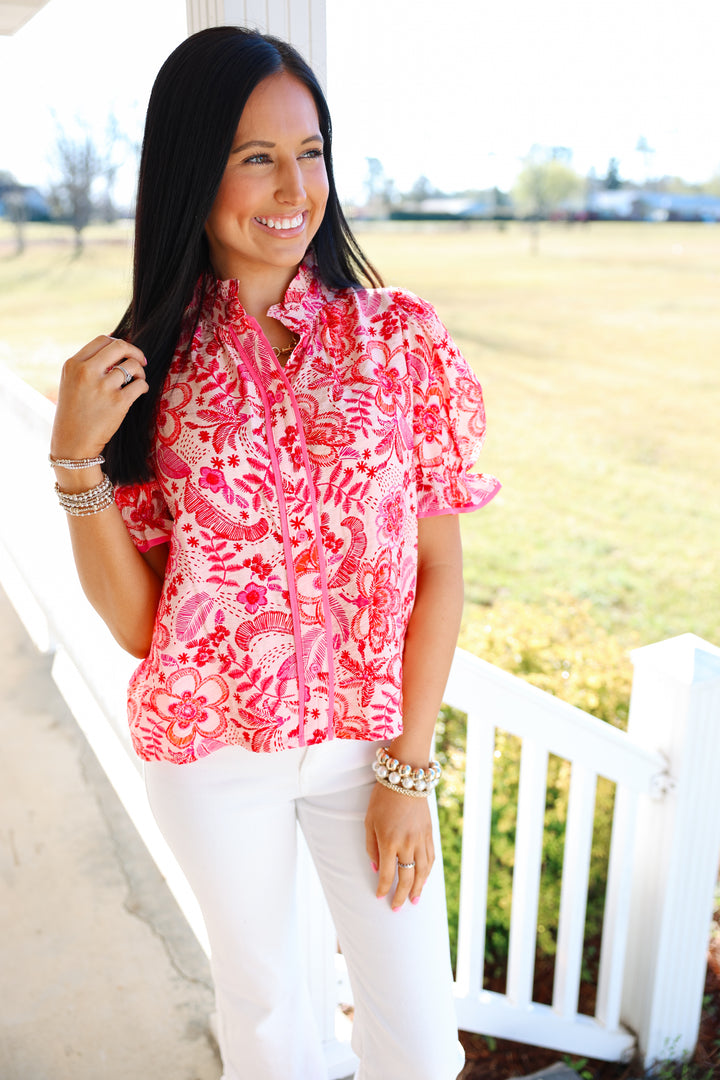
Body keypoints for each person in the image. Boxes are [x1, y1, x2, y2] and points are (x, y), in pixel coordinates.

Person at [49, 25, 500, 1080]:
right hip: (213, 759)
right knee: (268, 1033)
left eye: (311, 152)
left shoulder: (399, 342)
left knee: (421, 1049)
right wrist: (77, 466)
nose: (293, 186)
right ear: (193, 171)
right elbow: (142, 626)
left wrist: (407, 769)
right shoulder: (144, 373)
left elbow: (439, 572)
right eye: (257, 156)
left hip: (367, 749)